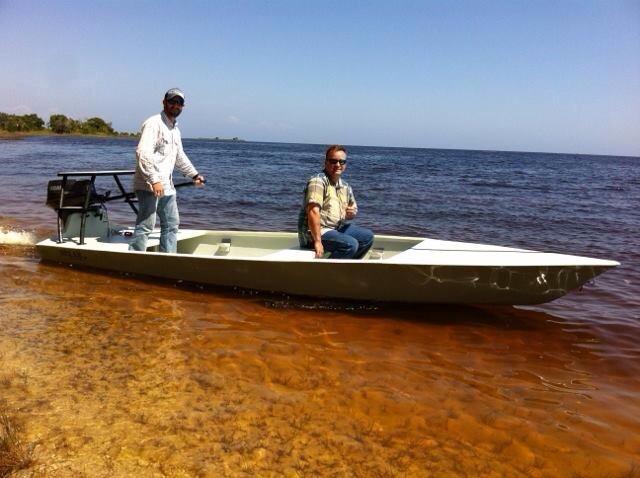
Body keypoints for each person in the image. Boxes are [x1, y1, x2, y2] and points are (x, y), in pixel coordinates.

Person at [129, 88, 205, 253]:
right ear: (164, 102)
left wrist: (195, 174)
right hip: (149, 185)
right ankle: (135, 257)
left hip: (167, 185)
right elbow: (143, 153)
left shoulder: (175, 130)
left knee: (171, 224)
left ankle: (168, 258)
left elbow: (179, 156)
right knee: (146, 225)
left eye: (179, 103)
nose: (175, 105)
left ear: (183, 107)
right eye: (172, 101)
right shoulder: (153, 124)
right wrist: (154, 180)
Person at [297, 145, 374, 259]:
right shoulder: (318, 181)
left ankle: (347, 266)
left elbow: (352, 210)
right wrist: (317, 241)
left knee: (367, 237)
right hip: (315, 233)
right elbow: (313, 212)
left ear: (345, 165)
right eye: (333, 161)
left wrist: (351, 213)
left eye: (341, 162)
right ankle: (327, 273)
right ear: (326, 162)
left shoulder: (345, 186)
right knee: (350, 244)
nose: (338, 165)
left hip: (336, 229)